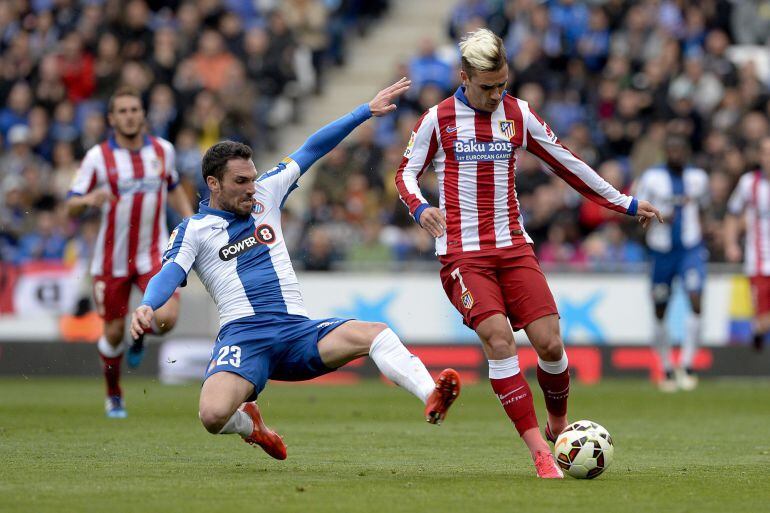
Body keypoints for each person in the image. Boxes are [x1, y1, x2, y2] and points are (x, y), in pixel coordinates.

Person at [129, 78, 460, 460]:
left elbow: (312, 147)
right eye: (241, 182)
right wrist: (148, 305)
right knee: (212, 414)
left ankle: (431, 394)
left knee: (376, 333)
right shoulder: (194, 230)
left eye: (252, 179)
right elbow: (169, 273)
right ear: (213, 184)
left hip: (295, 331)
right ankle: (250, 424)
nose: (252, 188)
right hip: (244, 336)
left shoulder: (267, 192)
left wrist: (364, 111)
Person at [395, 29, 661, 478]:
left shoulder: (517, 113)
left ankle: (559, 429)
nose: (498, 94)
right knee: (500, 341)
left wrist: (624, 202)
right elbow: (404, 174)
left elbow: (567, 162)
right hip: (464, 255)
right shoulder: (436, 120)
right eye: (488, 87)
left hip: (515, 248)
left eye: (503, 83)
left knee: (550, 343)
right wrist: (421, 207)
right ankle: (538, 448)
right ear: (463, 77)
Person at [67, 87, 194, 418]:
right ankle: (114, 394)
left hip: (153, 252)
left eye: (134, 109)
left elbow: (174, 189)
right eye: (122, 111)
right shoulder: (98, 158)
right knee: (112, 333)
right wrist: (86, 201)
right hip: (111, 260)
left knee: (166, 319)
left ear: (143, 114)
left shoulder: (162, 151)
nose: (129, 116)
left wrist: (193, 224)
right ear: (111, 119)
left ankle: (140, 335)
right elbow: (70, 204)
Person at [634, 135, 709, 392]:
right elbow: (639, 210)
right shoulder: (652, 179)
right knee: (660, 308)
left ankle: (687, 365)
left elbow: (704, 209)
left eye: (681, 149)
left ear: (686, 152)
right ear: (666, 152)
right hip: (661, 251)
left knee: (696, 299)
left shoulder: (698, 178)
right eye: (672, 149)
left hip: (690, 249)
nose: (676, 154)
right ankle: (666, 366)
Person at [724, 136, 770, 352]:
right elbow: (733, 214)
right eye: (766, 152)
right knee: (762, 321)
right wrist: (730, 243)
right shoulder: (748, 183)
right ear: (760, 156)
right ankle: (757, 335)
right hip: (759, 262)